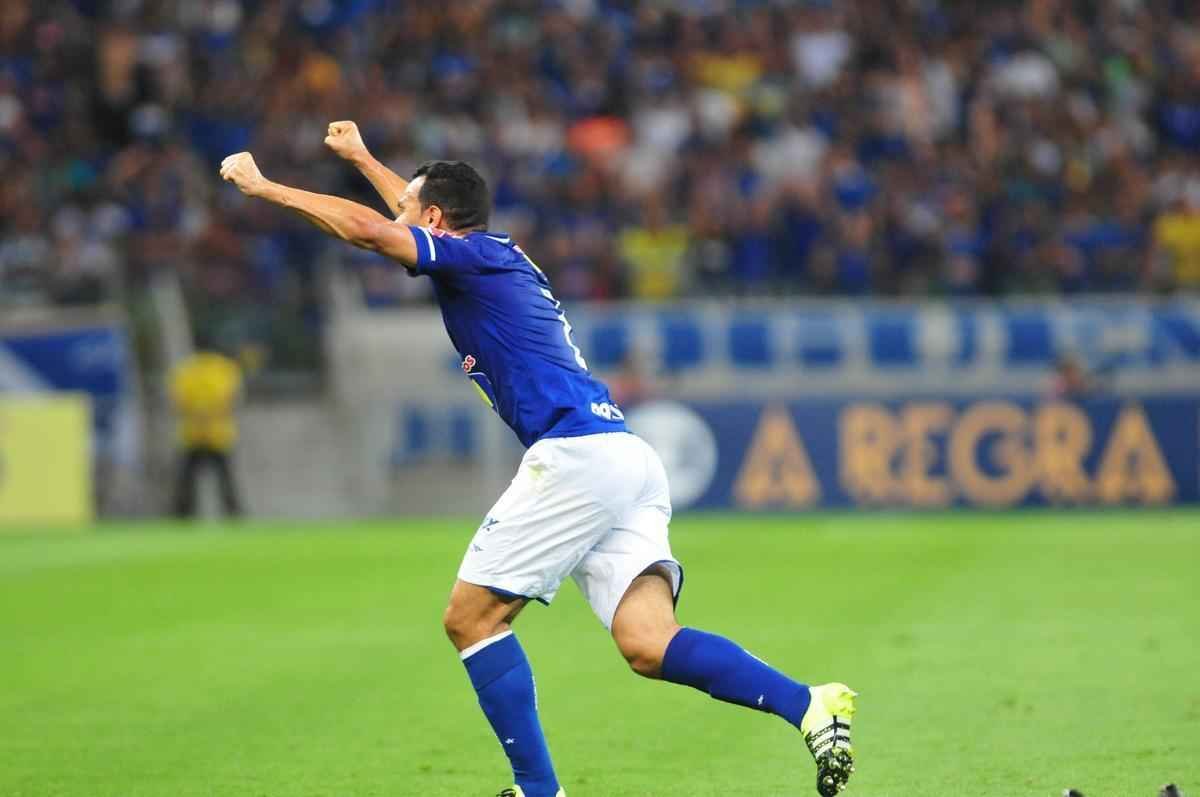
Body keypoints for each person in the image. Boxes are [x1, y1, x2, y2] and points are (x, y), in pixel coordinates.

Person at [219, 122, 857, 797]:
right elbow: (406, 214)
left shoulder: (468, 258)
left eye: (409, 207)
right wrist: (361, 157)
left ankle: (539, 788)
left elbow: (372, 231)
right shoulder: (491, 253)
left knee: (470, 618)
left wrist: (265, 189)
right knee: (648, 640)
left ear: (436, 220)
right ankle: (810, 704)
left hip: (576, 455)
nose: (397, 213)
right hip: (621, 454)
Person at [168, 340, 245, 518]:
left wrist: (197, 415)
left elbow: (177, 402)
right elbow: (233, 400)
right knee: (222, 479)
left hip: (194, 433)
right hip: (217, 433)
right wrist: (211, 415)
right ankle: (232, 514)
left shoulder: (186, 369)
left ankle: (183, 515)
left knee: (189, 480)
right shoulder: (225, 368)